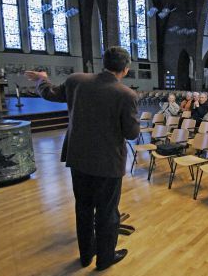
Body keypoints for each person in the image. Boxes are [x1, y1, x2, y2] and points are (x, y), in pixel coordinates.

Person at [24, 46, 139, 270]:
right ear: (125, 69)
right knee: (107, 213)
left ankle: (86, 255)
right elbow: (132, 133)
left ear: (103, 62)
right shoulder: (126, 95)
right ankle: (105, 258)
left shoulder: (77, 80)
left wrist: (42, 79)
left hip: (79, 159)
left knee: (83, 209)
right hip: (108, 164)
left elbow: (49, 93)